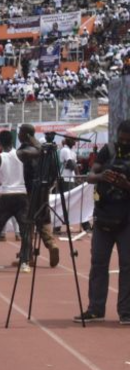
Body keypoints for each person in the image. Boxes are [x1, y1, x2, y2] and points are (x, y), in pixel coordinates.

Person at [74, 119, 130, 324]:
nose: (123, 143)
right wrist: (102, 176)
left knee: (127, 265)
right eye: (121, 139)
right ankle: (96, 309)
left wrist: (126, 184)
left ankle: (126, 312)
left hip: (126, 219)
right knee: (98, 263)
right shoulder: (108, 150)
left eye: (127, 141)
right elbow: (89, 176)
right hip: (103, 215)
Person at [17, 124, 61, 268]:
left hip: (29, 190)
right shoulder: (47, 151)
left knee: (27, 223)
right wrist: (48, 185)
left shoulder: (24, 150)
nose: (18, 135)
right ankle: (51, 244)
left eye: (20, 133)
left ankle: (28, 257)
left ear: (26, 135)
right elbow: (55, 170)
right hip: (44, 189)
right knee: (43, 220)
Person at [0, 131, 31, 273]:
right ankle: (25, 262)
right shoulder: (21, 156)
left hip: (6, 195)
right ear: (12, 141)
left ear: (0, 143)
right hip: (21, 195)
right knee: (25, 230)